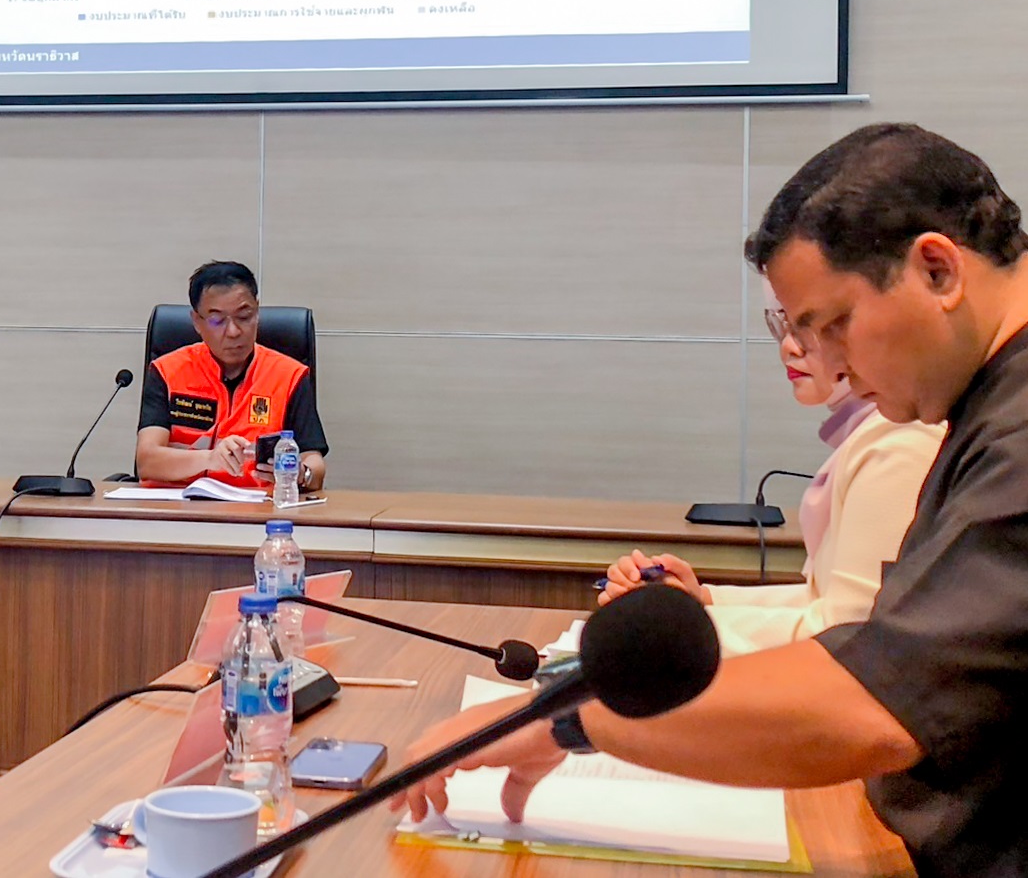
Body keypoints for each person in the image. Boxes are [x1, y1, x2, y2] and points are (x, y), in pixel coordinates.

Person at [394, 123, 1028, 877]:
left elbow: (876, 703)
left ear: (937, 269)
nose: (831, 360)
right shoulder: (988, 406)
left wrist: (564, 718)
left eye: (834, 324)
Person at [600, 281, 943, 656]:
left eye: (808, 327)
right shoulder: (876, 434)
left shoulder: (900, 440)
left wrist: (678, 620)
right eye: (783, 326)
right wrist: (700, 600)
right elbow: (825, 601)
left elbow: (846, 633)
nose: (789, 348)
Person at [137, 261, 328, 491]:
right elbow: (147, 461)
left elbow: (315, 466)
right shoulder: (167, 371)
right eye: (217, 320)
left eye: (244, 316)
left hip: (254, 508)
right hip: (175, 507)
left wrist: (301, 474)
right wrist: (210, 459)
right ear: (196, 322)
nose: (233, 332)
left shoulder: (289, 376)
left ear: (257, 312)